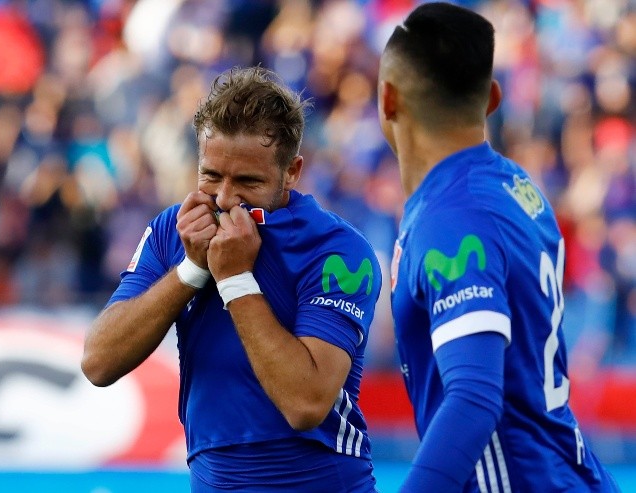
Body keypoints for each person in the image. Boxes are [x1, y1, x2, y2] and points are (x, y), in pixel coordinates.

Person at [82, 66, 381, 492]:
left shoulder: (338, 250)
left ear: (292, 171)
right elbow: (98, 362)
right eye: (211, 175)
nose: (224, 198)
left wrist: (236, 280)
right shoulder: (174, 230)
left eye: (247, 181)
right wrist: (191, 270)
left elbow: (306, 403)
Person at [377, 3, 621, 492]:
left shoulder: (453, 219)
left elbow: (473, 399)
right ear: (492, 97)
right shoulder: (516, 187)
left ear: (388, 99)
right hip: (566, 472)